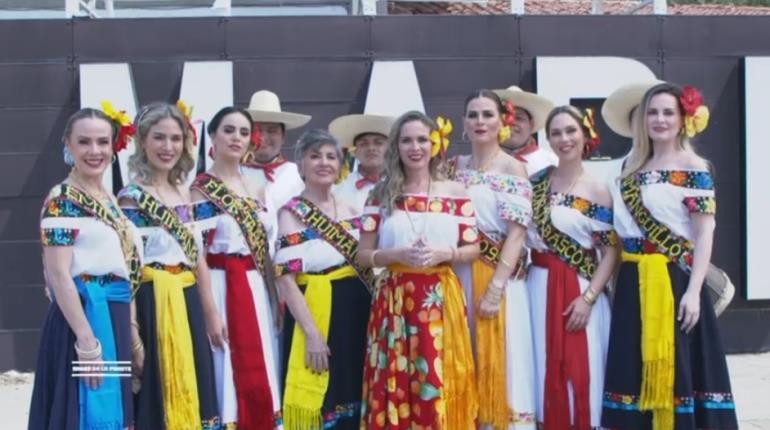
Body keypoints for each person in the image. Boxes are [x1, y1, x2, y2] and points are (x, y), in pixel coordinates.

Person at [602, 83, 738, 429]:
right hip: (634, 281)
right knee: (632, 368)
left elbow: (705, 233)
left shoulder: (694, 166)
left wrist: (693, 292)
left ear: (683, 119)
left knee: (679, 369)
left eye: (667, 112)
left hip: (674, 279)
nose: (659, 119)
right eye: (652, 112)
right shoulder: (630, 169)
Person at [358, 111, 480, 429]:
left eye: (422, 139)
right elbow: (364, 255)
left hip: (440, 295)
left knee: (439, 375)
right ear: (396, 147)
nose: (416, 147)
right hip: (395, 298)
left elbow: (473, 248)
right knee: (396, 379)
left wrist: (446, 252)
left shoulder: (456, 192)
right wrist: (396, 254)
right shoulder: (380, 194)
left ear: (434, 143)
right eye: (407, 140)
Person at [29, 106, 142, 430]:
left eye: (102, 142)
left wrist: (131, 331)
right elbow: (58, 274)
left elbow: (125, 266)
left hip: (115, 316)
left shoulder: (108, 198)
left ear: (113, 146)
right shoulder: (62, 199)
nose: (95, 151)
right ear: (68, 144)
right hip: (84, 320)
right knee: (84, 406)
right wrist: (86, 342)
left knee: (116, 408)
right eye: (84, 142)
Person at [118, 102, 219, 429]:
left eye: (176, 139)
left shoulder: (185, 192)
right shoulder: (131, 197)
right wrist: (132, 329)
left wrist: (211, 314)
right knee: (155, 390)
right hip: (152, 302)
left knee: (196, 380)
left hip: (187, 300)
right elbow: (127, 267)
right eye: (159, 138)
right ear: (143, 142)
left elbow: (198, 258)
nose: (168, 147)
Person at [275, 130, 376, 430]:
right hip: (316, 311)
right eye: (315, 156)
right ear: (301, 165)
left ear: (341, 164)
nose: (324, 163)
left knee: (355, 387)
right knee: (324, 394)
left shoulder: (353, 210)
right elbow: (286, 280)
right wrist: (312, 334)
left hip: (356, 309)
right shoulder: (290, 214)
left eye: (331, 157)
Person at [191, 107, 283, 429]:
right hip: (220, 287)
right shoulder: (201, 188)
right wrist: (210, 312)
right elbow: (197, 255)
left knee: (264, 369)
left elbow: (268, 251)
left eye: (244, 132)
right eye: (229, 130)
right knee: (225, 367)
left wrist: (274, 298)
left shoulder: (259, 186)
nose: (237, 138)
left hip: (256, 289)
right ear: (213, 136)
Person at [527, 106, 618, 430]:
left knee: (583, 371)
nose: (564, 139)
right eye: (556, 133)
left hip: (578, 290)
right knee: (540, 367)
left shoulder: (597, 190)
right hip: (535, 289)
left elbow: (610, 252)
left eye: (570, 131)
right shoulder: (536, 182)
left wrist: (589, 298)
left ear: (585, 135)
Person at [450, 89, 537, 429]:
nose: (480, 121)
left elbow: (516, 233)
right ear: (463, 123)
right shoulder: (453, 167)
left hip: (497, 279)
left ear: (502, 121)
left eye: (488, 114)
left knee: (504, 357)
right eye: (473, 115)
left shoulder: (514, 168)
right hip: (458, 275)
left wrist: (496, 288)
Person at [241, 90, 311, 214]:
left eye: (271, 130)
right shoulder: (233, 173)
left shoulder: (299, 174)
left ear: (283, 136)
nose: (263, 137)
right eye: (257, 130)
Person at [329, 114, 393, 210]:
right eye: (364, 144)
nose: (371, 148)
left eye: (378, 143)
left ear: (390, 149)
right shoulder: (337, 193)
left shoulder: (403, 187)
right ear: (354, 152)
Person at [493, 86, 557, 177]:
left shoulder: (551, 162)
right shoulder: (481, 162)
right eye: (505, 117)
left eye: (519, 118)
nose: (511, 122)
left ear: (531, 125)